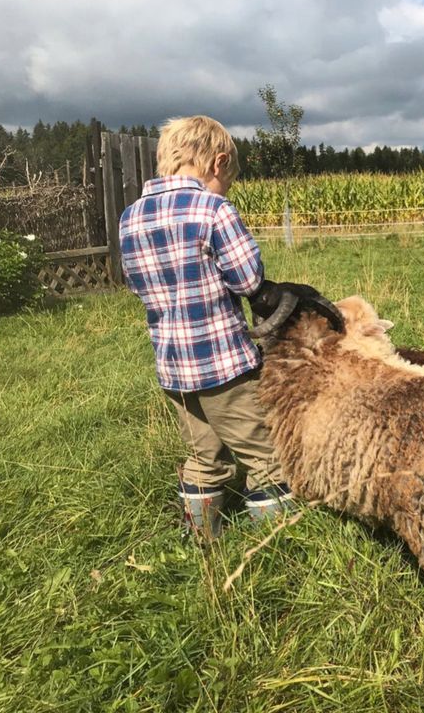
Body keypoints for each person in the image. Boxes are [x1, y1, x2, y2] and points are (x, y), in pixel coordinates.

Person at [118, 115, 341, 541]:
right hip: (224, 366)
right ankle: (277, 549)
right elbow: (247, 279)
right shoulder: (214, 209)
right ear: (218, 163)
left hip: (173, 369)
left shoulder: (131, 216)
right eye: (229, 179)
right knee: (266, 455)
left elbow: (134, 284)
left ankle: (202, 540)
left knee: (204, 455)